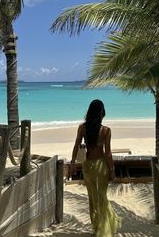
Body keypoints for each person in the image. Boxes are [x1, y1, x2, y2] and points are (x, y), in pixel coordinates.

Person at [70, 99, 122, 236]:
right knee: (102, 197)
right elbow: (108, 153)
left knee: (92, 198)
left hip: (87, 165)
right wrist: (112, 170)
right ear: (102, 113)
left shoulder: (82, 127)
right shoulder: (106, 130)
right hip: (101, 166)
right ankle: (104, 229)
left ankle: (97, 228)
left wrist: (73, 162)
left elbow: (76, 145)